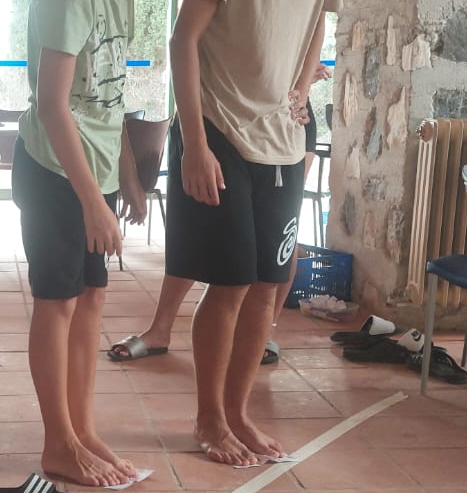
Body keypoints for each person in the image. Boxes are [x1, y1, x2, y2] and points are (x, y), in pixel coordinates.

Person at [166, 0, 386, 466]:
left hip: (284, 139)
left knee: (272, 283)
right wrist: (194, 143)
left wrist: (302, 82)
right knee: (230, 283)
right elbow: (184, 40)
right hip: (221, 132)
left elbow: (319, 17)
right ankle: (209, 418)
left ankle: (238, 412)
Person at [14, 0, 200, 487]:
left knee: (92, 299)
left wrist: (128, 179)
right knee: (58, 303)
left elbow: (109, 99)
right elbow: (53, 105)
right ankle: (57, 443)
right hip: (54, 172)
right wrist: (92, 201)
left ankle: (83, 429)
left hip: (94, 174)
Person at [108, 71, 333, 366]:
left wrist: (302, 81)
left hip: (285, 122)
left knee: (280, 233)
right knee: (195, 232)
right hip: (219, 118)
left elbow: (307, 55)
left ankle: (264, 331)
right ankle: (160, 328)